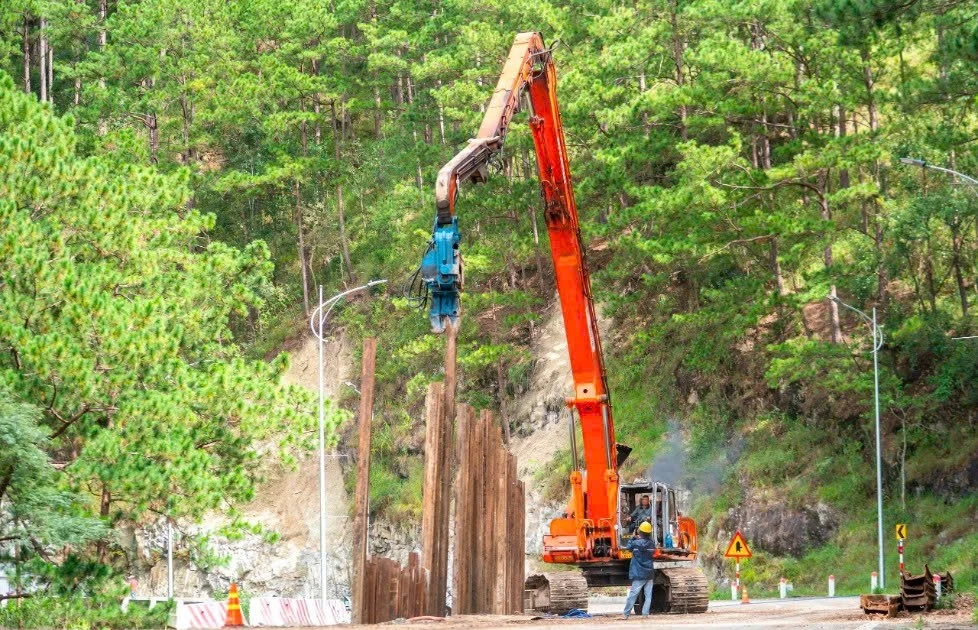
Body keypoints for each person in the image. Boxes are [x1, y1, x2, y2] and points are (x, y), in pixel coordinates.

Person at [622, 521, 655, 618]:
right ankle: (645, 614)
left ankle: (626, 614)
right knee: (648, 595)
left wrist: (632, 537)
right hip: (649, 573)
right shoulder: (651, 544)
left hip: (639, 573)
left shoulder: (635, 544)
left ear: (639, 532)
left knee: (633, 594)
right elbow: (648, 544)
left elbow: (628, 548)